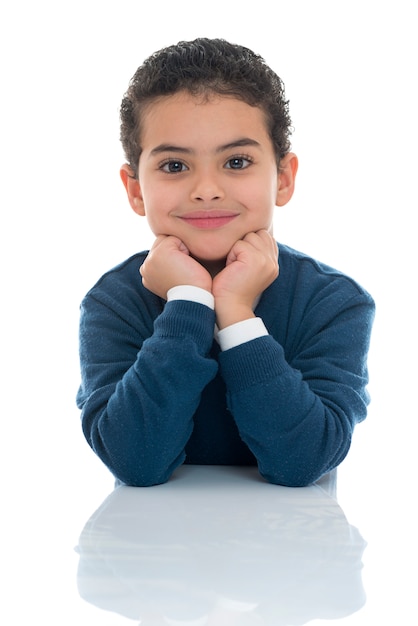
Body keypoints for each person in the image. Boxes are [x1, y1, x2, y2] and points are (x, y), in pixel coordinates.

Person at [76, 38, 375, 488]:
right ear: (136, 190)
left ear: (283, 178)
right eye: (175, 166)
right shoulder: (113, 302)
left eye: (236, 161)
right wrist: (190, 302)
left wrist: (236, 313)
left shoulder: (334, 302)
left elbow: (304, 461)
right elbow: (135, 461)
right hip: (152, 549)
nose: (207, 189)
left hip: (294, 553)